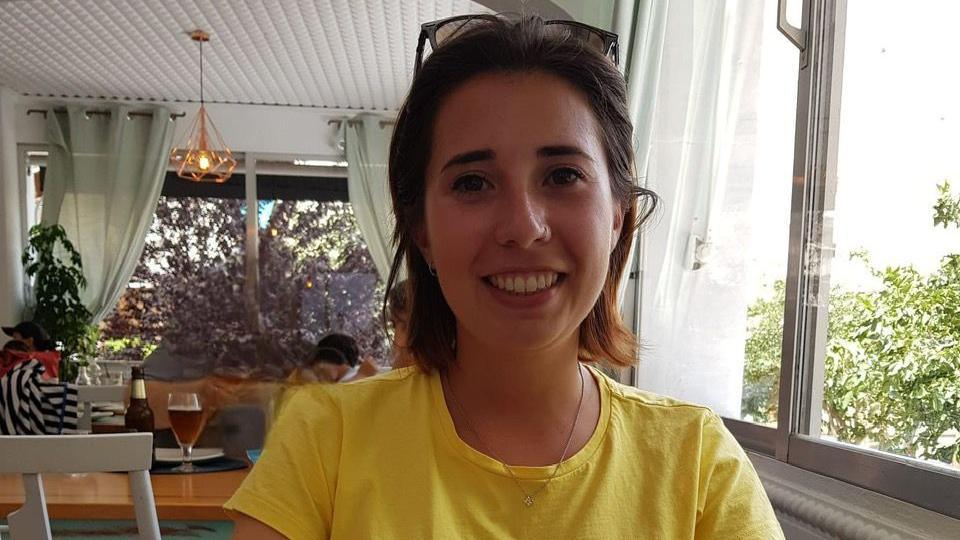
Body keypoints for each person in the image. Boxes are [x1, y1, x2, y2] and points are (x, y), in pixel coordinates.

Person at [227, 14, 784, 539]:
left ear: (617, 216)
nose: (523, 226)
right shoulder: (327, 437)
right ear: (421, 229)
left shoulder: (696, 461)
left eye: (563, 175)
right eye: (472, 182)